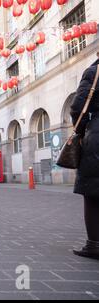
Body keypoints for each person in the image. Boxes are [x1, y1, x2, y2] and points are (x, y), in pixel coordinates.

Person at [70, 52, 99, 260]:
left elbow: (78, 108)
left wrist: (80, 131)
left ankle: (94, 245)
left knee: (93, 193)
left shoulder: (93, 72)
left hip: (97, 138)